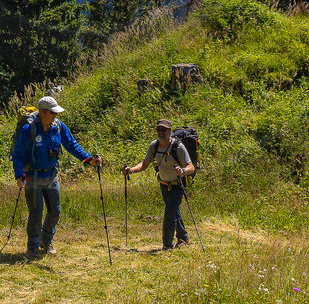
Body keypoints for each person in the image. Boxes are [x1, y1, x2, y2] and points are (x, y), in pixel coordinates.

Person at [11, 95, 101, 256]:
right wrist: (19, 175)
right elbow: (17, 154)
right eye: (53, 112)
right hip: (32, 177)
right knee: (36, 213)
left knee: (55, 211)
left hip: (51, 175)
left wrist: (88, 159)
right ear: (42, 111)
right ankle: (33, 247)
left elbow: (72, 144)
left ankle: (46, 241)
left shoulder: (58, 126)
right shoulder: (28, 129)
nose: (56, 115)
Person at [122, 118, 195, 249]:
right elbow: (144, 164)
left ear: (170, 131)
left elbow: (191, 167)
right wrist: (131, 170)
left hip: (177, 184)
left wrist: (182, 171)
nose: (160, 132)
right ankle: (183, 237)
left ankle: (167, 245)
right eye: (158, 129)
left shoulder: (178, 146)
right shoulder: (154, 145)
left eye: (163, 130)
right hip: (163, 184)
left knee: (169, 213)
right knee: (173, 211)